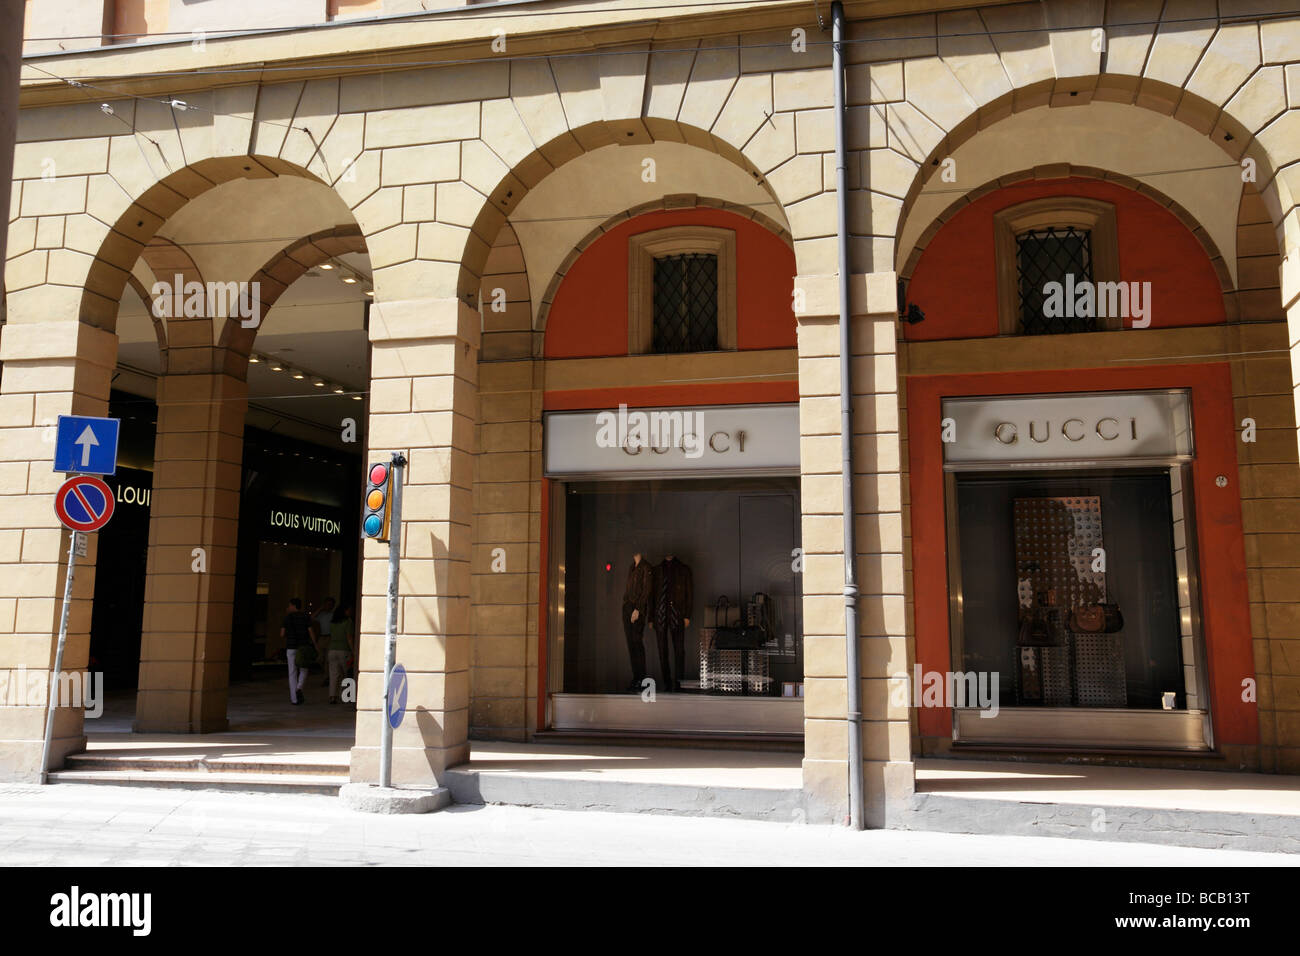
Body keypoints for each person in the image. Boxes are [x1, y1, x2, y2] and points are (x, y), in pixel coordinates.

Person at [281, 597, 318, 705]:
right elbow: (311, 632)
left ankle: (294, 699)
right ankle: (299, 687)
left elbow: (282, 634)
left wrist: (289, 636)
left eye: (289, 605)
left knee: (292, 672)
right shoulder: (306, 616)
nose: (288, 607)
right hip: (303, 647)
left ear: (293, 606)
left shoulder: (287, 618)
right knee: (304, 668)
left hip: (291, 647)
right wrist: (315, 644)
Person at [327, 605, 356, 705]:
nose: (350, 612)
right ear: (345, 611)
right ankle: (347, 696)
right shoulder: (348, 622)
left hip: (332, 650)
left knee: (333, 674)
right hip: (344, 650)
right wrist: (353, 651)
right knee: (347, 674)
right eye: (349, 610)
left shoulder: (332, 623)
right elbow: (349, 638)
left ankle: (332, 696)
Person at [315, 597, 336, 686]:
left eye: (330, 605)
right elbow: (311, 618)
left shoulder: (334, 615)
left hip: (330, 637)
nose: (328, 606)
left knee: (328, 659)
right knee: (319, 658)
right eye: (327, 604)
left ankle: (326, 677)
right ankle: (326, 674)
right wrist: (320, 609)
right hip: (322, 637)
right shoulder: (321, 615)